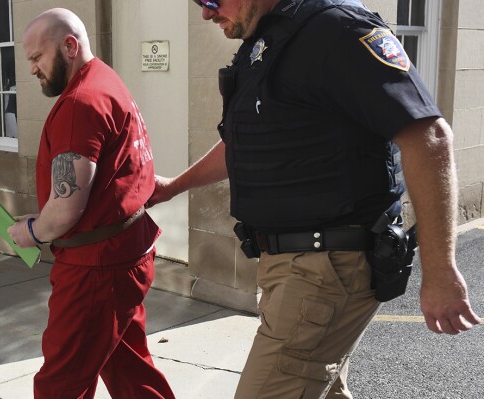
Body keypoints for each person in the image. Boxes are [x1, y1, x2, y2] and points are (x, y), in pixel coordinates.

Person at [149, 1, 481, 398]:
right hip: (291, 267)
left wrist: (440, 268)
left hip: (325, 270)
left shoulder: (337, 29)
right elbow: (243, 140)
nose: (206, 13)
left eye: (210, 0)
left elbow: (429, 137)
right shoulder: (269, 40)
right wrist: (174, 186)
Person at [7, 8, 175, 399]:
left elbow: (65, 209)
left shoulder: (79, 104)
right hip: (124, 252)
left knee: (60, 384)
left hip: (96, 268)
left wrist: (29, 231)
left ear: (69, 46)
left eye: (37, 58)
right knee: (128, 367)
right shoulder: (106, 81)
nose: (32, 69)